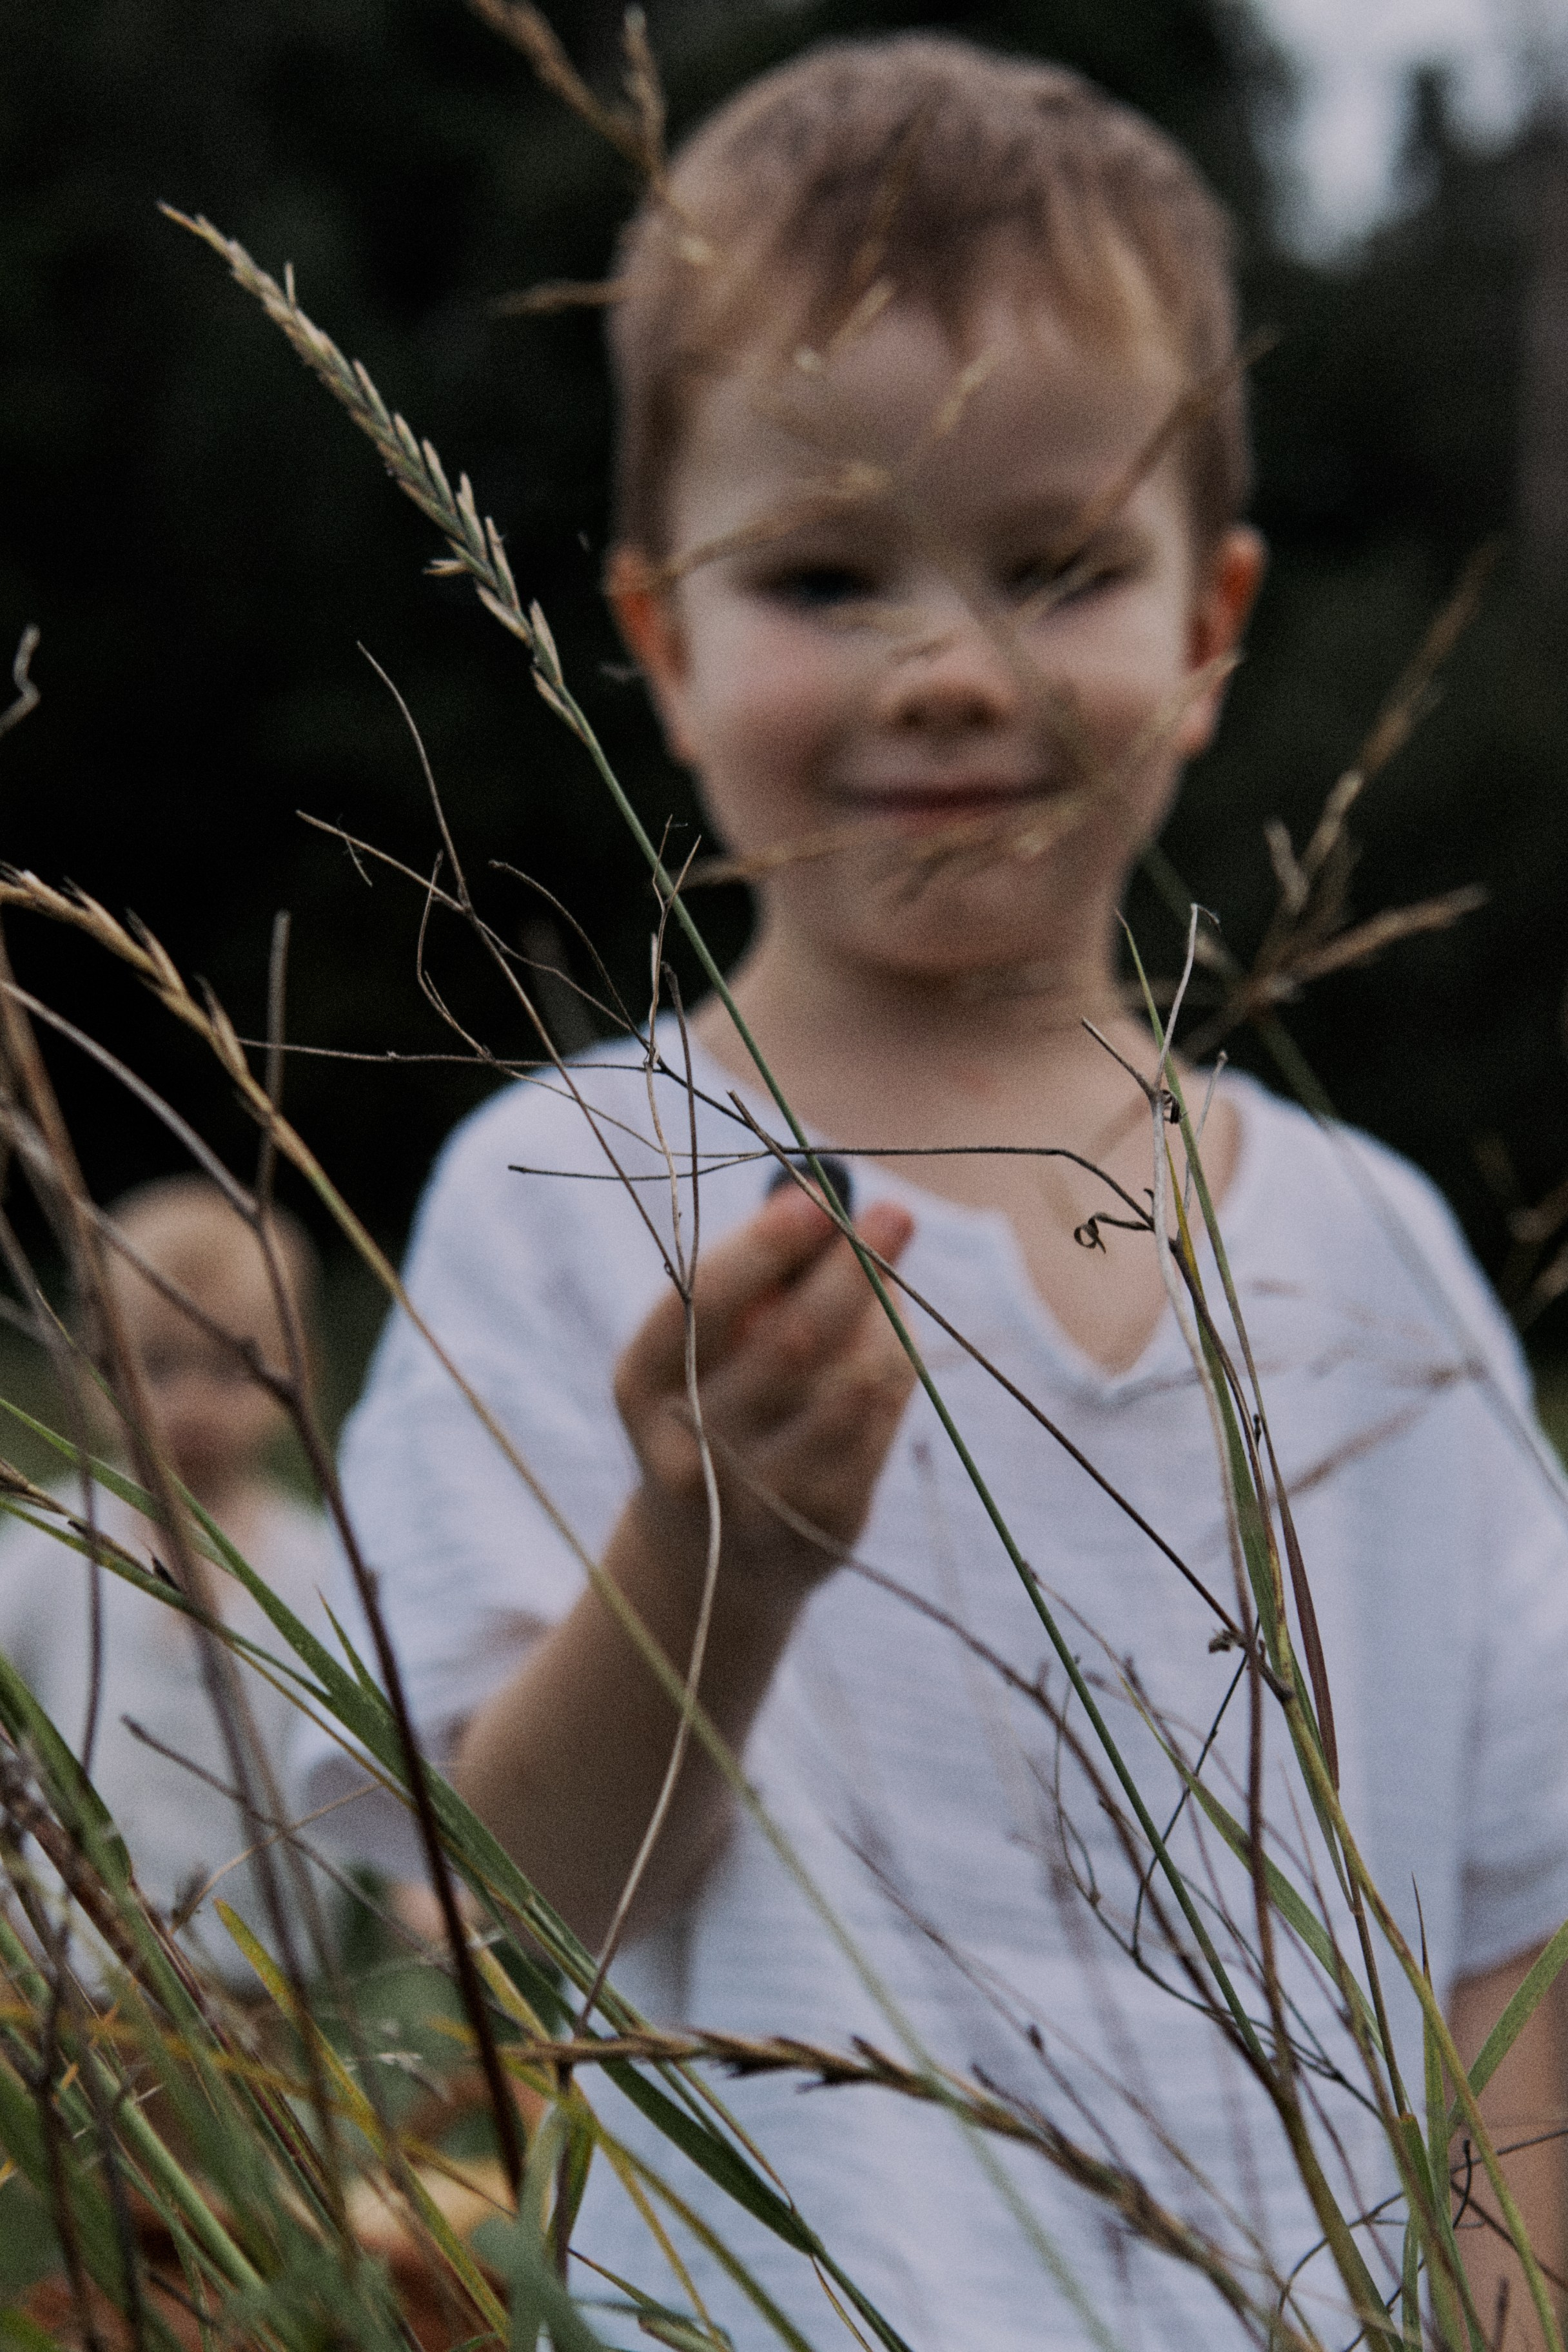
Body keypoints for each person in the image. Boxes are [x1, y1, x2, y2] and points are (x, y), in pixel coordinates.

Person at [302, 37, 1568, 2348]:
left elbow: (1498, 2004)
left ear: (1208, 627)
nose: (953, 668)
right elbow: (502, 1930)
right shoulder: (573, 1196)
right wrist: (716, 1549)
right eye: (821, 570)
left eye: (1059, 564)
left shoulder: (1381, 1260)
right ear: (660, 638)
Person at [0, 1175, 338, 1982]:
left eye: (230, 1370)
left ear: (301, 1374)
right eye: (154, 1366)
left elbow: (364, 1759)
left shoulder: (318, 1566)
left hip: (262, 1964)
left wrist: (416, 1886)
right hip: (72, 1960)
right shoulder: (54, 1542)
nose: (189, 1403)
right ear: (93, 1371)